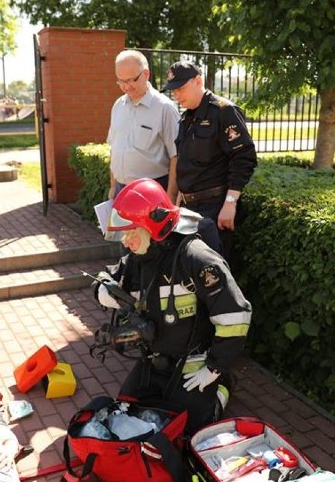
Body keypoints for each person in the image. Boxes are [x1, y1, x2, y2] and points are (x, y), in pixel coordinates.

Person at [93, 178, 252, 433]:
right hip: (153, 358)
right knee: (124, 412)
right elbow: (112, 277)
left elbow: (235, 315)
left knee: (192, 428)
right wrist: (102, 290)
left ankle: (223, 385)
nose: (125, 242)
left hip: (194, 362)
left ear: (153, 224)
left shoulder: (196, 258)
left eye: (130, 232)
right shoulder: (142, 254)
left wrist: (214, 367)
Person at [164, 60, 258, 260]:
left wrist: (230, 203)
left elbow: (243, 158)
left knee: (212, 273)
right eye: (173, 91)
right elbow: (184, 162)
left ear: (198, 81)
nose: (176, 95)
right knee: (190, 270)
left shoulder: (224, 111)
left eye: (180, 88)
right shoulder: (186, 118)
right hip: (189, 208)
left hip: (214, 208)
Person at [107, 50, 180, 199]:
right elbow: (114, 148)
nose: (126, 87)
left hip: (153, 192)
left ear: (146, 74)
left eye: (131, 80)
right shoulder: (118, 105)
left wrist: (170, 196)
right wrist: (113, 186)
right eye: (121, 81)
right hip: (121, 190)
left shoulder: (165, 108)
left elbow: (176, 156)